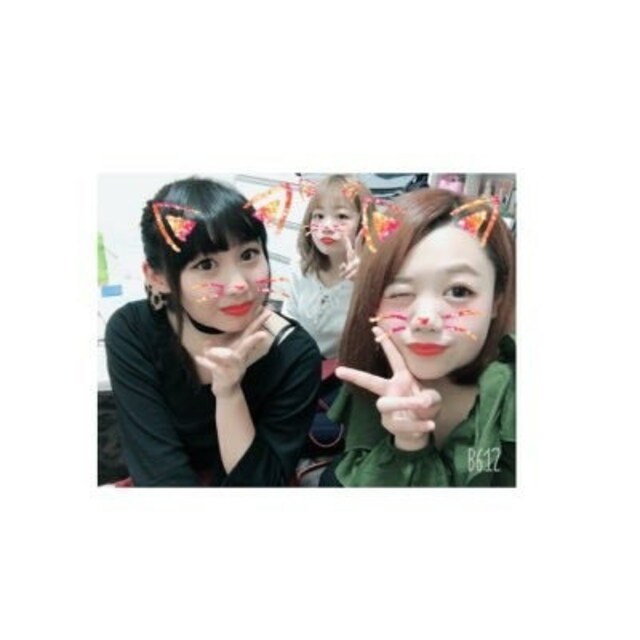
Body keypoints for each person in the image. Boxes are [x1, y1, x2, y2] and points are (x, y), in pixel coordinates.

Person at [104, 177, 322, 486]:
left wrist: (229, 394)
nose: (239, 285)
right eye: (206, 264)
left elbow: (261, 484)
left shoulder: (294, 354)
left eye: (248, 254)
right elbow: (157, 470)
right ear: (157, 278)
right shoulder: (133, 331)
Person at [320, 188, 516, 487]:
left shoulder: (512, 401)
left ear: (497, 301)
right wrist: (408, 442)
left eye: (459, 291)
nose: (425, 319)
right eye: (399, 292)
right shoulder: (370, 385)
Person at [280, 175, 372, 474]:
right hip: (302, 367)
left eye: (342, 216)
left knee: (331, 432)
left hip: (346, 377)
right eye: (318, 215)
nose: (327, 226)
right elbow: (288, 324)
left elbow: (376, 340)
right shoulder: (300, 266)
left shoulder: (372, 273)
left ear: (363, 224)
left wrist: (367, 283)